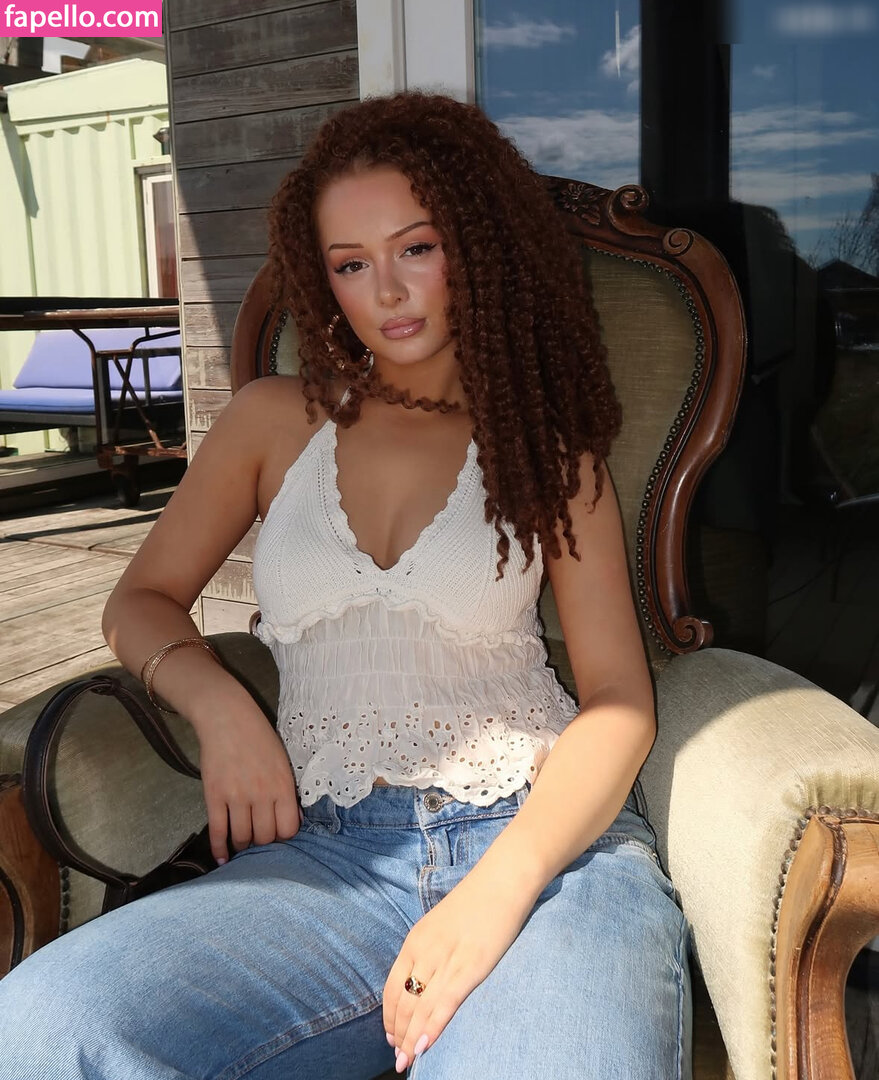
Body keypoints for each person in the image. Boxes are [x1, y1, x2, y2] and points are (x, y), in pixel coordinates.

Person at [0, 91, 693, 1078]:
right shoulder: (271, 419)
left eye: (418, 249)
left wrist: (499, 890)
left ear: (477, 249)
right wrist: (221, 707)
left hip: (545, 855)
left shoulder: (547, 450)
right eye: (351, 264)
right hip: (328, 860)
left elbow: (619, 700)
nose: (390, 291)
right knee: (39, 1027)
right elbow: (140, 600)